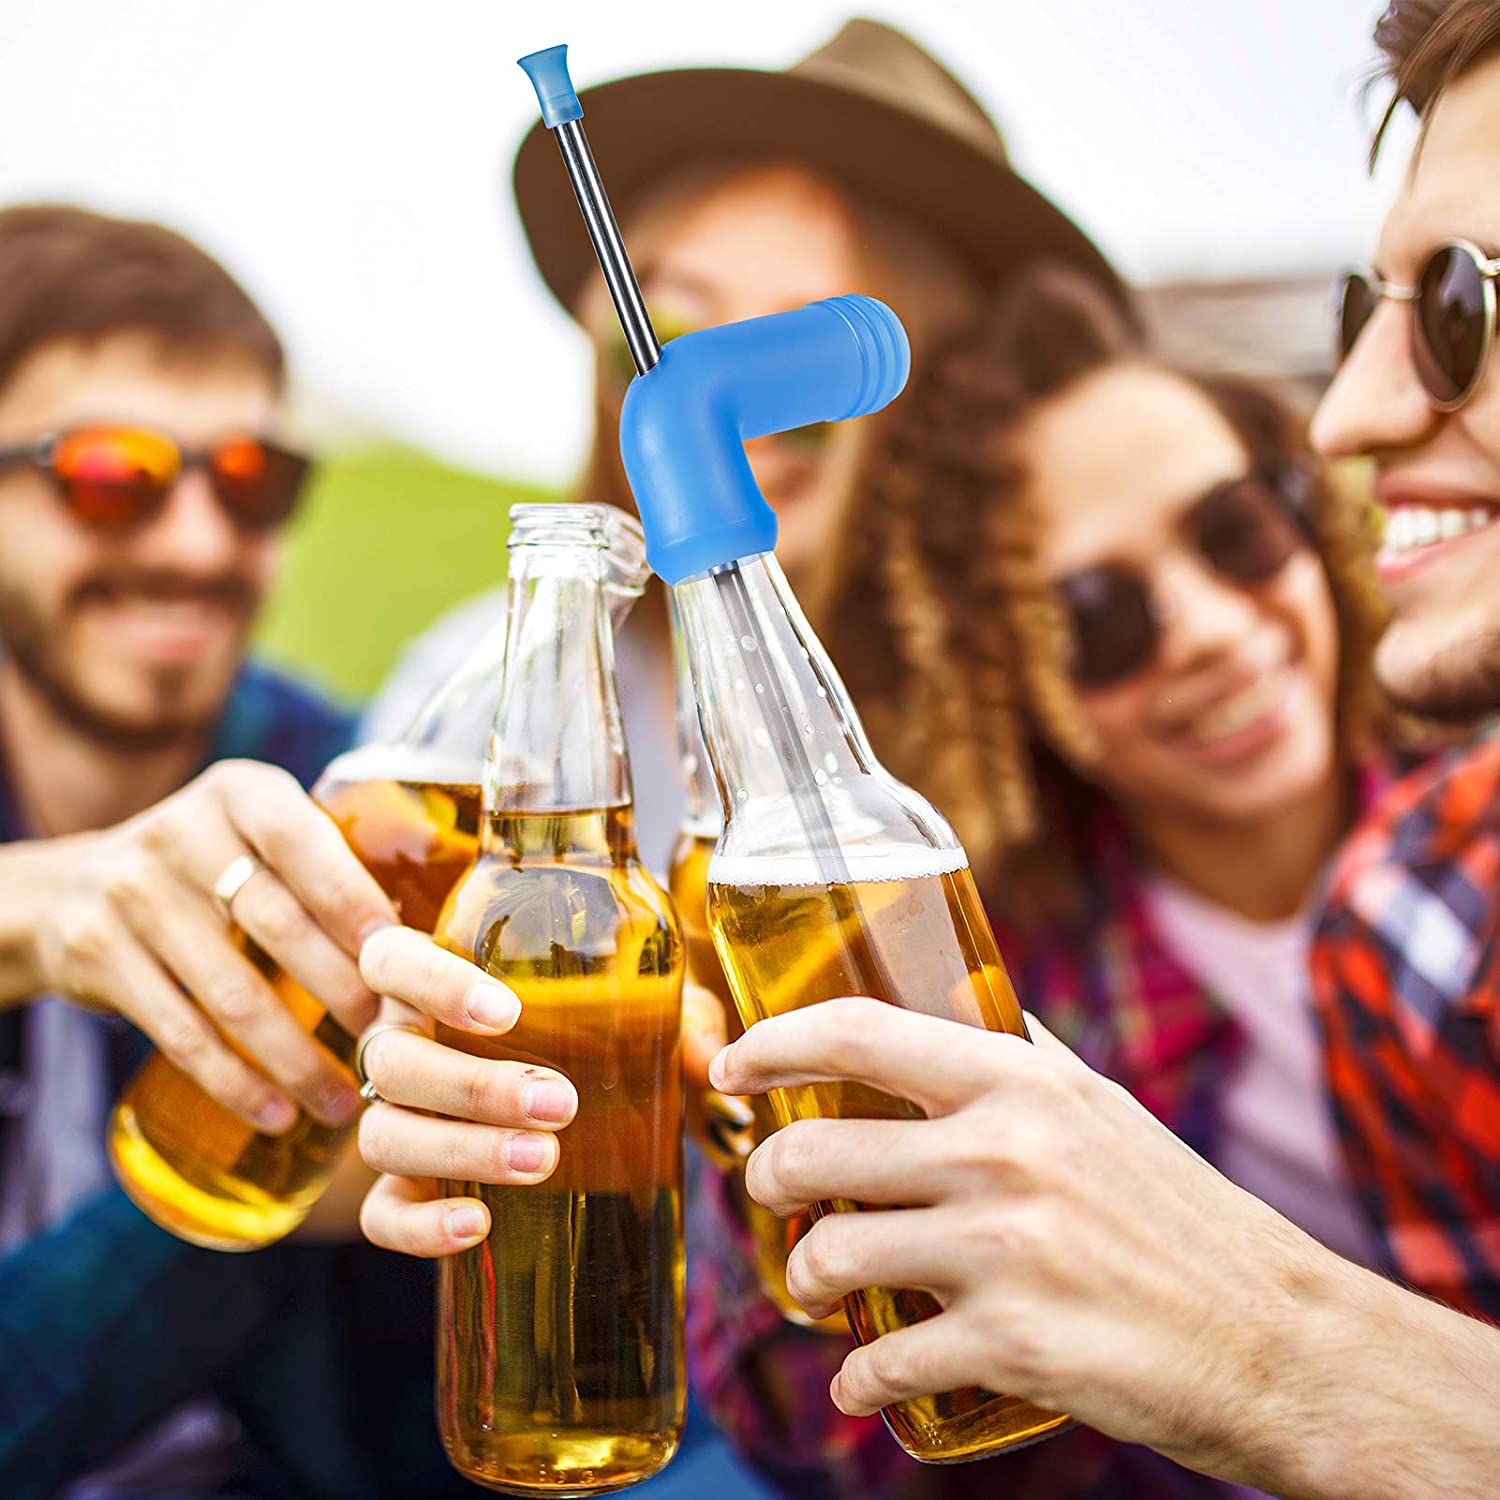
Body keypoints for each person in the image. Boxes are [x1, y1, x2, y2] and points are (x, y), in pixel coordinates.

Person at [703, 7, 1500, 1498]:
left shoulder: (1460, 858)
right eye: (1099, 613)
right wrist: (772, 1183)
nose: (1205, 628)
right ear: (1006, 680)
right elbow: (829, 1437)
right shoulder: (1006, 990)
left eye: (1234, 530)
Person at [0, 204, 596, 1498]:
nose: (199, 543)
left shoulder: (356, 799)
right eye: (113, 477)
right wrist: (34, 911)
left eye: (251, 482)